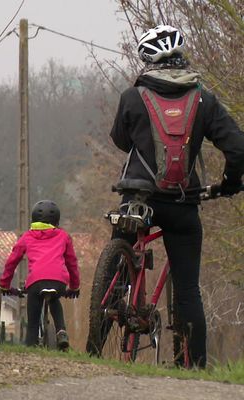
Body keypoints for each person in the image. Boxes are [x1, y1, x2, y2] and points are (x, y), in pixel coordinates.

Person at [110, 25, 244, 368]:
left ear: (146, 60)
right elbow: (238, 149)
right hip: (184, 202)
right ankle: (196, 370)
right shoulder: (204, 100)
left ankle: (112, 297)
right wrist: (229, 182)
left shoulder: (132, 97)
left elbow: (120, 140)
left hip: (140, 197)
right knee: (188, 291)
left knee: (121, 240)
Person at [0, 200, 80, 350]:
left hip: (35, 282)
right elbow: (72, 263)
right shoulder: (63, 236)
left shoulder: (27, 237)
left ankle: (31, 344)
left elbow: (12, 261)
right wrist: (74, 286)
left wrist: (5, 285)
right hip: (58, 282)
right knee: (55, 300)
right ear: (57, 220)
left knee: (33, 321)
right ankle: (61, 331)